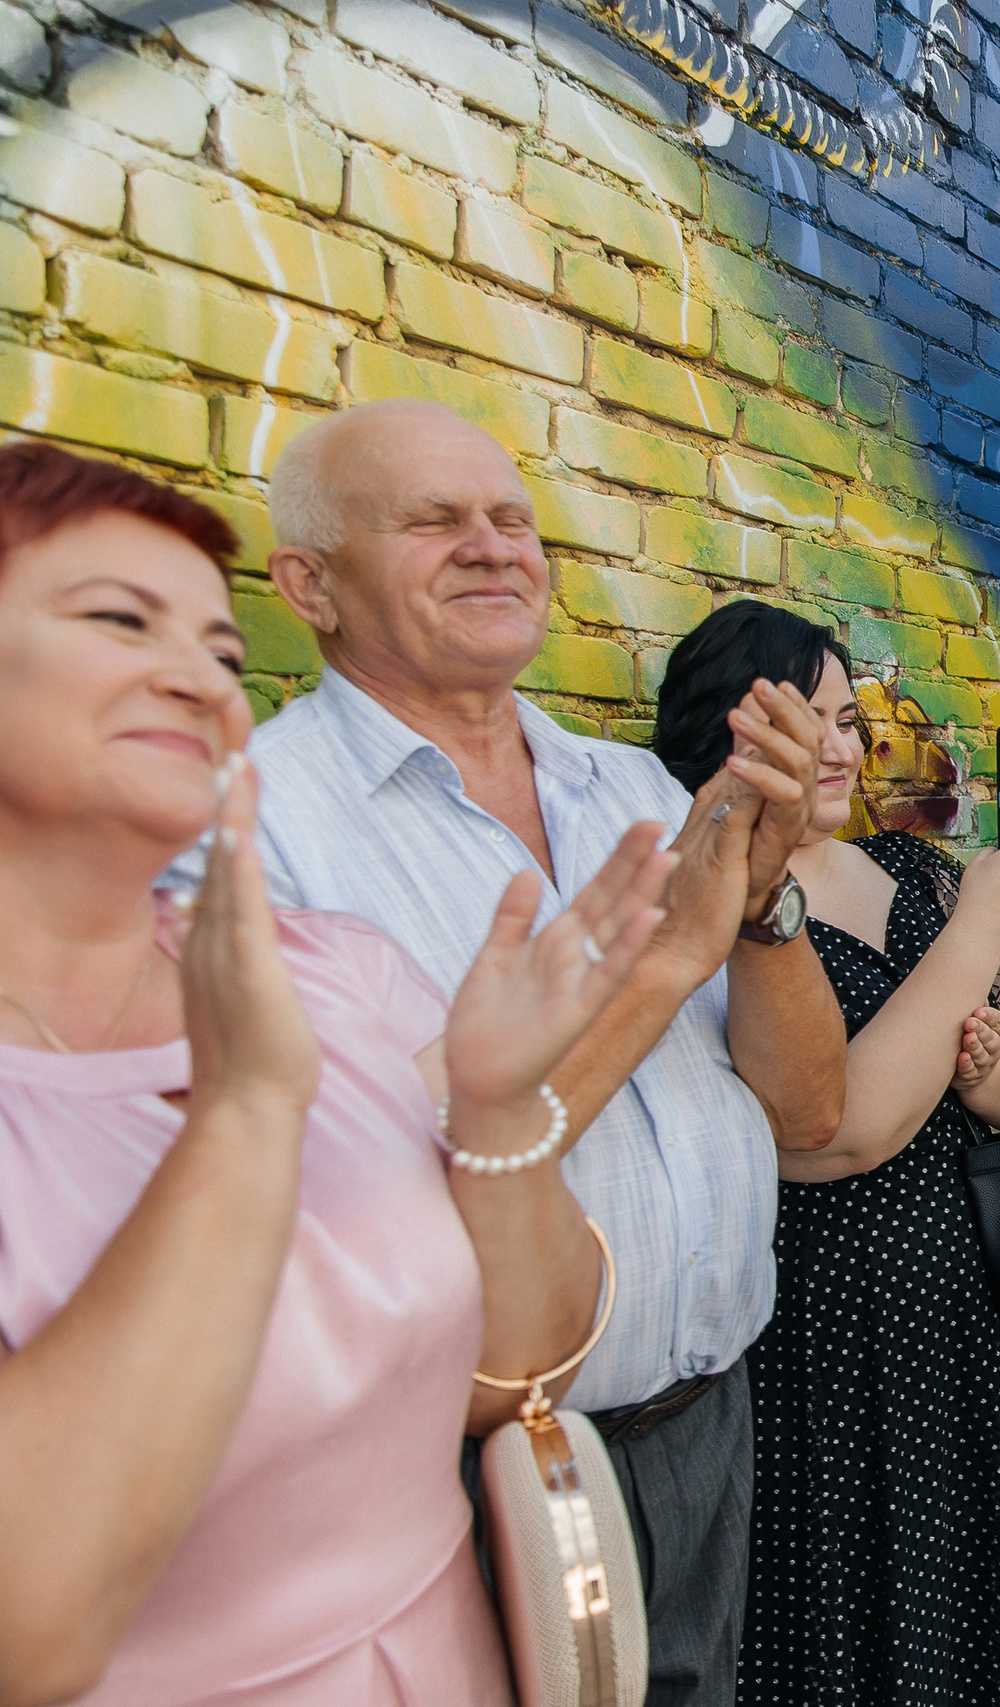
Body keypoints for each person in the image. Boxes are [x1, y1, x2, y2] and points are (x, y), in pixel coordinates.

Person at [184, 400, 850, 1707]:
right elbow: (374, 1209)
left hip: (709, 1415)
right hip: (473, 1470)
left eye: (510, 519)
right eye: (433, 521)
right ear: (308, 584)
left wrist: (763, 902)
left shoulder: (637, 792)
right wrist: (661, 964)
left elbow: (802, 1105)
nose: (492, 548)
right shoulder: (252, 839)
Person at [0, 443, 669, 1703]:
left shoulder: (342, 974)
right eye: (116, 619)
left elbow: (527, 1372)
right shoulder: (270, 1025)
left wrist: (495, 1102)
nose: (198, 680)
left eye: (213, 649)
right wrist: (249, 1114)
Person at [649, 601, 1000, 1707]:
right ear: (733, 736)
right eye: (815, 722)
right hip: (835, 1334)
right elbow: (840, 1134)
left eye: (852, 720)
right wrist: (978, 935)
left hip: (975, 1316)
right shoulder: (718, 906)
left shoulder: (919, 869)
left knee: (984, 1613)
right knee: (863, 1627)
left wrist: (990, 1071)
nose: (846, 749)